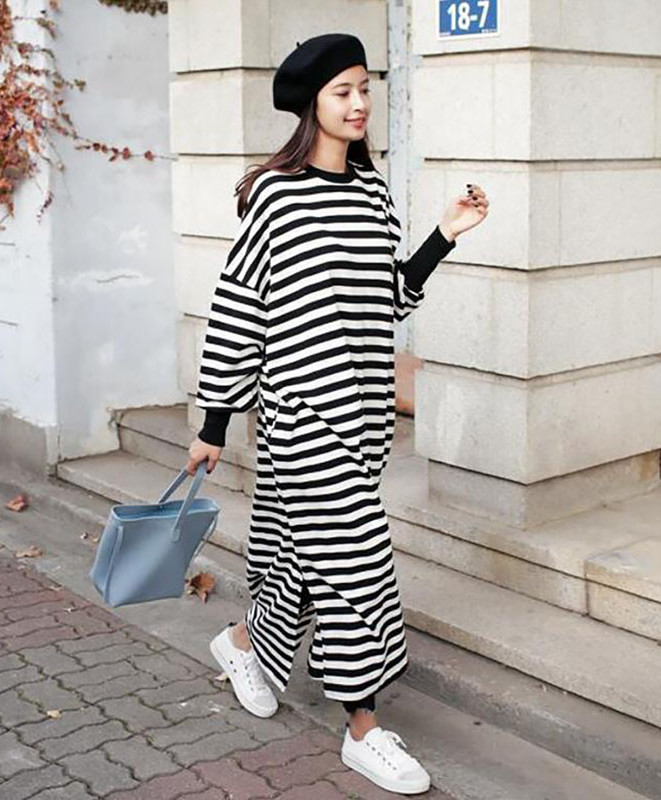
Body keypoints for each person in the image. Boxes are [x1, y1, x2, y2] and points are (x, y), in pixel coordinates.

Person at [185, 32, 489, 795]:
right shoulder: (275, 196)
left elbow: (387, 300)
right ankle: (363, 728)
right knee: (358, 564)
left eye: (364, 88)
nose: (358, 104)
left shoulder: (370, 193)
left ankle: (242, 643)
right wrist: (215, 423)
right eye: (342, 92)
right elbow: (239, 310)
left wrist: (443, 235)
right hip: (301, 417)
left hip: (363, 416)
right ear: (311, 104)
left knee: (299, 561)